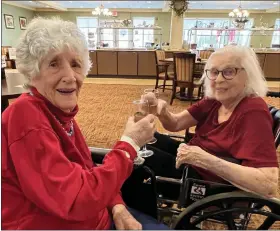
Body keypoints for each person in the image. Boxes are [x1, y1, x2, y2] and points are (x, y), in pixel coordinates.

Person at [1, 17, 169, 230]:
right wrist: (130, 144)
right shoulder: (26, 117)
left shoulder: (58, 113)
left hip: (100, 214)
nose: (70, 77)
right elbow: (76, 201)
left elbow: (87, 169)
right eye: (54, 64)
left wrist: (117, 206)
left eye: (75, 64)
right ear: (33, 73)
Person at [143, 45, 279, 199]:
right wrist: (163, 112)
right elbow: (175, 124)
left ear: (248, 75)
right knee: (145, 139)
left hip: (206, 181)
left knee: (140, 160)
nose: (219, 80)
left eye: (229, 72)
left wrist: (203, 159)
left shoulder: (253, 111)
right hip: (192, 161)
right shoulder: (215, 100)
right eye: (214, 72)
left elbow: (268, 184)